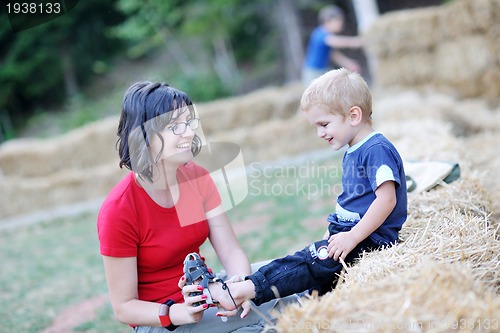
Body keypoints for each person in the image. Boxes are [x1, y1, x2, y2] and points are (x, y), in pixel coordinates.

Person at [211, 68, 408, 318]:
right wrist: (335, 230)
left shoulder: (376, 149)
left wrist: (352, 237)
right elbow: (355, 200)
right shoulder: (354, 149)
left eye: (324, 124)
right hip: (351, 234)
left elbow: (387, 199)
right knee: (320, 284)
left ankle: (249, 287)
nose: (320, 134)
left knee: (309, 262)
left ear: (354, 115)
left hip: (371, 240)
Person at [97, 82, 275, 332]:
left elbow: (231, 252)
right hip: (163, 321)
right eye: (175, 127)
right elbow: (124, 306)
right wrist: (178, 312)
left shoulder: (195, 178)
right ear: (144, 137)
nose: (190, 133)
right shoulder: (120, 209)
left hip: (207, 293)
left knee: (282, 284)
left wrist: (240, 288)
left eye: (189, 122)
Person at [302, 5, 363, 86]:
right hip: (314, 73)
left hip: (322, 71)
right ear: (328, 21)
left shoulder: (325, 34)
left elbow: (333, 54)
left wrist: (348, 63)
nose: (341, 24)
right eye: (339, 20)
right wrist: (353, 41)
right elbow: (333, 41)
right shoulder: (320, 33)